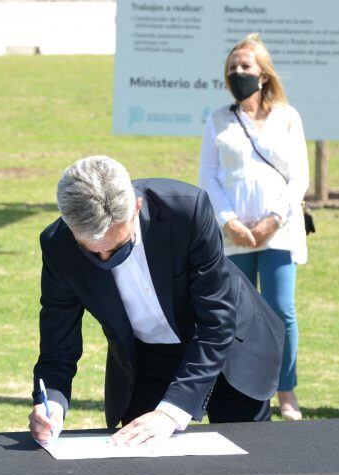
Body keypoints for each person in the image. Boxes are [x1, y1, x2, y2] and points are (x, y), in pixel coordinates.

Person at [28, 156, 285, 445]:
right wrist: (52, 403)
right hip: (148, 356)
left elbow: (217, 321)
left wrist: (170, 413)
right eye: (91, 251)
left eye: (117, 247)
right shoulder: (57, 246)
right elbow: (57, 345)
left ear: (136, 207)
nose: (105, 260)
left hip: (228, 347)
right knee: (140, 459)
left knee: (245, 463)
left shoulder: (187, 210)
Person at [199, 33, 309, 420]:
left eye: (245, 66)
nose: (238, 72)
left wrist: (272, 220)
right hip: (233, 236)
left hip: (279, 231)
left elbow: (299, 177)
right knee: (235, 315)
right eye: (232, 67)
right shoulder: (218, 119)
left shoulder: (287, 116)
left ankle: (286, 393)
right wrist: (229, 222)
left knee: (280, 311)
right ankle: (245, 391)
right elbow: (209, 178)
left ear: (264, 74)